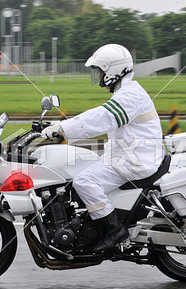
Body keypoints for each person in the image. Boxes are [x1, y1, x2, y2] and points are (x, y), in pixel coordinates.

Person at [41, 44, 165, 253]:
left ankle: (115, 231)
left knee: (84, 181)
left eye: (100, 71)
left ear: (113, 70)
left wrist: (62, 128)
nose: (98, 76)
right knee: (80, 170)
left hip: (134, 160)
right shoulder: (128, 91)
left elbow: (102, 117)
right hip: (128, 154)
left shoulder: (129, 96)